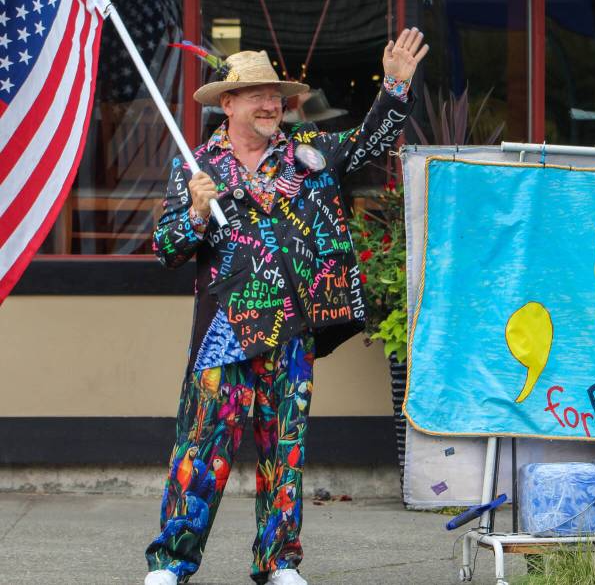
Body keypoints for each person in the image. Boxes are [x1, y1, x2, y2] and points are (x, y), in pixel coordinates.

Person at [143, 28, 429, 585]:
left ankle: (278, 562)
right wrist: (198, 214)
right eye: (258, 95)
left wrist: (395, 85)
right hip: (225, 330)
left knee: (286, 449)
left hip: (291, 326)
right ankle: (172, 562)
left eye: (276, 95)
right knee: (201, 448)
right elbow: (166, 250)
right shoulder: (195, 168)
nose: (272, 103)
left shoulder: (309, 155)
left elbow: (370, 143)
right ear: (229, 104)